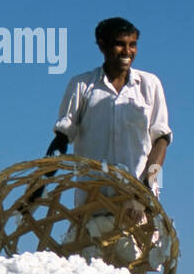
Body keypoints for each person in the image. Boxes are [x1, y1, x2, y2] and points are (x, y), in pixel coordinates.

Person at [47, 17, 171, 197]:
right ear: (101, 45)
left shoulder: (150, 85)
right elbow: (61, 139)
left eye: (133, 45)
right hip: (92, 199)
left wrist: (147, 184)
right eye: (119, 44)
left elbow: (161, 139)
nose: (127, 51)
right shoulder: (82, 85)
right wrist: (37, 189)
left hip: (137, 200)